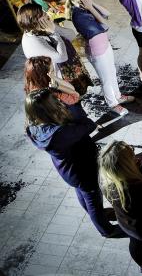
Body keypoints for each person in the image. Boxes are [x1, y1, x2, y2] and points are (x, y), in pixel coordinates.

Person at [25, 89, 120, 237]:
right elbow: (89, 125)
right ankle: (106, 230)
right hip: (82, 169)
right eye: (54, 101)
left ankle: (96, 214)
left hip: (69, 170)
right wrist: (74, 106)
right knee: (93, 198)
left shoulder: (34, 126)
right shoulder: (60, 133)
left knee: (83, 193)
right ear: (48, 108)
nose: (59, 102)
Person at [98, 141, 142, 275]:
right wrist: (140, 169)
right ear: (125, 166)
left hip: (126, 223)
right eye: (131, 156)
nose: (134, 156)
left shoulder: (104, 180)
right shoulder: (133, 186)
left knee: (135, 242)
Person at [66, 0, 135, 116]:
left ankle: (118, 96)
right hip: (97, 50)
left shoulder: (84, 8)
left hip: (104, 45)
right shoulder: (79, 15)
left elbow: (107, 13)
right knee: (106, 79)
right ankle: (113, 104)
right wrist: (90, 7)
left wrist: (91, 4)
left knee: (112, 72)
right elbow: (105, 25)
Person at [18, 3, 92, 95]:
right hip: (60, 81)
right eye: (42, 13)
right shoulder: (32, 40)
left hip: (71, 69)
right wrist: (53, 33)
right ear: (34, 20)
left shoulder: (43, 27)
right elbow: (61, 57)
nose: (46, 14)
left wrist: (53, 27)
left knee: (78, 96)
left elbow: (71, 35)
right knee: (72, 101)